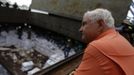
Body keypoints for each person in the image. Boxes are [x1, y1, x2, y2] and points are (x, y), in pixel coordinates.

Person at [71, 8, 134, 75]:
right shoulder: (120, 39)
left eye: (84, 24)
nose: (80, 29)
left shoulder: (96, 47)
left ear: (100, 24)